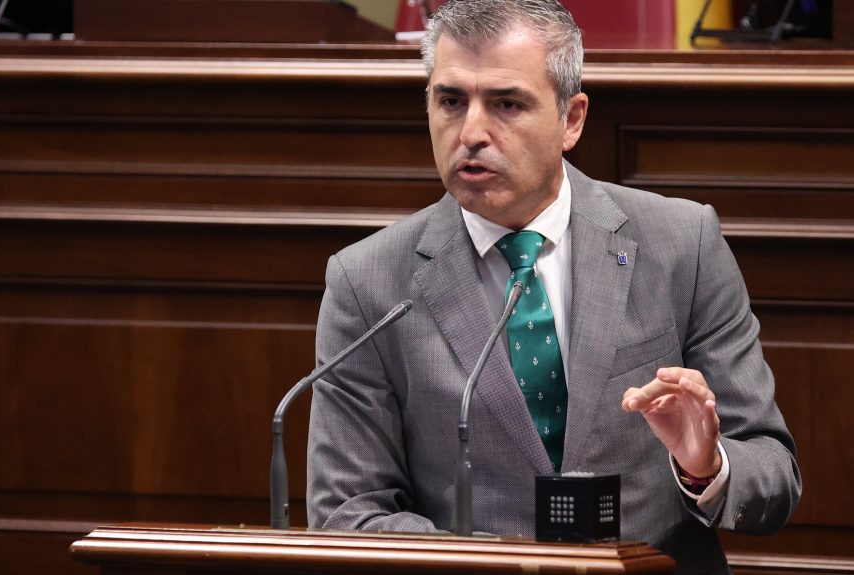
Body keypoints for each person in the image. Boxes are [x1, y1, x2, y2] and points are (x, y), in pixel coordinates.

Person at [307, 1, 801, 573]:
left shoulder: (680, 244)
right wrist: (508, 564)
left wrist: (706, 467)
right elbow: (349, 512)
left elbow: (775, 475)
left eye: (507, 104)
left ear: (572, 120)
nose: (470, 132)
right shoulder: (366, 281)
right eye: (450, 101)